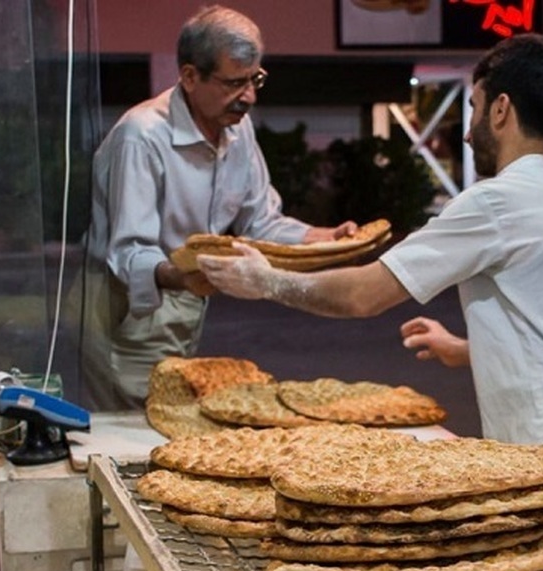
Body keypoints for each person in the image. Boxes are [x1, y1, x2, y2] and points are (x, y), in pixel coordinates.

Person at [197, 33, 543, 563]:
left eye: (475, 109)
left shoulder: (498, 202)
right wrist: (466, 347)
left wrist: (267, 280)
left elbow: (365, 294)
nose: (467, 132)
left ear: (502, 109)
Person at [81, 5, 355, 409]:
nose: (249, 97)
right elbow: (129, 251)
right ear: (190, 77)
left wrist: (324, 238)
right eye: (234, 83)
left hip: (186, 293)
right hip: (129, 304)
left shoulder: (236, 128)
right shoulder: (142, 137)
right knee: (139, 428)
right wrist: (184, 276)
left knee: (173, 419)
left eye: (255, 79)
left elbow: (259, 220)